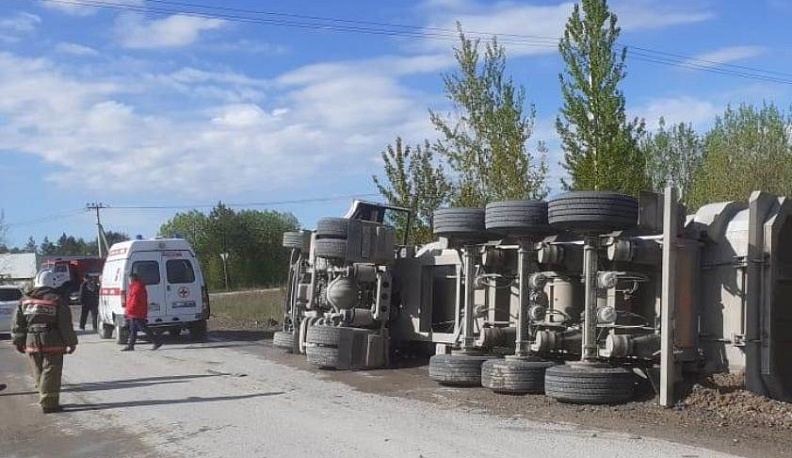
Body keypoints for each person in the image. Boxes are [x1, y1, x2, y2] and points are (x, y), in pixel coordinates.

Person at [11, 271, 78, 413]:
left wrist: (18, 341)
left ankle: (45, 398)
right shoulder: (56, 300)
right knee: (51, 371)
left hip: (32, 341)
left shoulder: (24, 301)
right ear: (52, 283)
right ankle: (49, 404)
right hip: (52, 340)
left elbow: (18, 323)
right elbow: (65, 324)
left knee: (38, 371)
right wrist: (71, 342)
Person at [122, 272, 162, 351]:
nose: (129, 280)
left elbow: (134, 301)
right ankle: (131, 345)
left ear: (133, 279)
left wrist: (128, 310)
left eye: (129, 279)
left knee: (143, 328)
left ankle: (156, 341)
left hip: (137, 312)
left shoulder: (137, 287)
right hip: (135, 312)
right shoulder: (135, 287)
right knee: (133, 329)